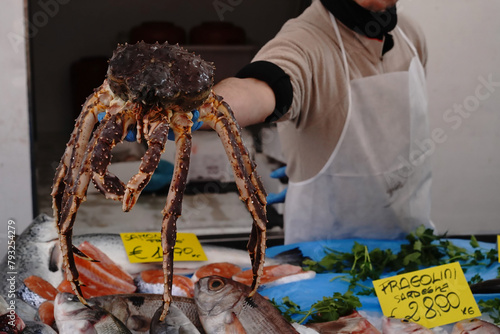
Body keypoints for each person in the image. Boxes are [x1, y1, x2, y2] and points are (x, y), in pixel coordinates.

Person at [212, 0, 436, 243]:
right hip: (327, 258)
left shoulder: (410, 34)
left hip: (415, 249)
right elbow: (263, 86)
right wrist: (207, 108)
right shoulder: (304, 40)